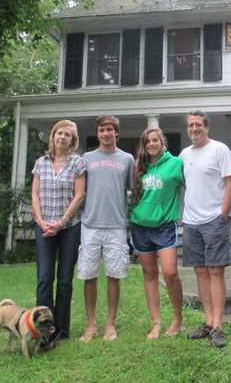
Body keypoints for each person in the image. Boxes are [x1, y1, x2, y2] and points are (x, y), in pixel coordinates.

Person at [180, 110, 231, 348]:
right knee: (200, 272)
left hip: (214, 220)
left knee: (216, 271)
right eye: (191, 125)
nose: (194, 129)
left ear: (207, 127)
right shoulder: (183, 155)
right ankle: (207, 322)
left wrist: (223, 214)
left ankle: (218, 325)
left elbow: (230, 183)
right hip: (191, 222)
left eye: (198, 125)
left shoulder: (219, 149)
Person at [77, 115, 135, 342]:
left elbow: (133, 191)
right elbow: (80, 190)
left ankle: (110, 324)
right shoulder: (87, 158)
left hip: (116, 226)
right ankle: (91, 325)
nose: (105, 134)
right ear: (97, 133)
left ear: (116, 133)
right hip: (90, 224)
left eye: (109, 130)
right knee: (88, 275)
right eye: (102, 130)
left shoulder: (127, 159)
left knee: (114, 275)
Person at [31, 119, 86, 348]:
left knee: (64, 280)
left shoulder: (77, 163)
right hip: (44, 228)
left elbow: (80, 195)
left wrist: (62, 222)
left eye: (67, 135)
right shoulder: (40, 163)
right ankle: (43, 329)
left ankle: (61, 330)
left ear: (73, 141)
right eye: (59, 133)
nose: (62, 137)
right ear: (53, 136)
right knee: (44, 278)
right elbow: (34, 194)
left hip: (70, 227)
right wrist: (42, 221)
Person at [130, 127, 185, 339]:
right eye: (147, 141)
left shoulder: (176, 164)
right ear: (144, 146)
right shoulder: (138, 167)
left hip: (164, 226)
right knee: (150, 274)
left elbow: (192, 185)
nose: (151, 144)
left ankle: (177, 318)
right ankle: (156, 322)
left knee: (170, 272)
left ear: (163, 143)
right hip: (140, 226)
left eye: (155, 140)